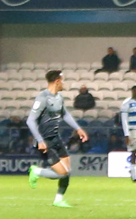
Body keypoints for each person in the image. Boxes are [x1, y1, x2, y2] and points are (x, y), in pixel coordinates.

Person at [26, 70, 89, 207]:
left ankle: (58, 199)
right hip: (44, 141)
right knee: (62, 173)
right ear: (57, 81)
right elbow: (30, 121)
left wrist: (78, 129)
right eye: (63, 80)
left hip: (56, 138)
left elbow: (65, 114)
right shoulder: (42, 98)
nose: (64, 83)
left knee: (67, 172)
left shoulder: (59, 97)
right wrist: (40, 141)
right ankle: (37, 171)